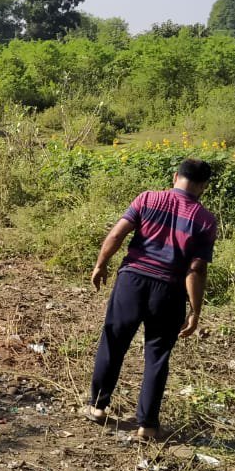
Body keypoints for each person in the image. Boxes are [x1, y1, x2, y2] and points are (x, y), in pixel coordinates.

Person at [82, 158, 217, 441]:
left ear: (175, 176)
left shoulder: (148, 199)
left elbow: (118, 233)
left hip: (132, 281)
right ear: (203, 187)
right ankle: (148, 425)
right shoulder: (204, 220)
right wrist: (194, 310)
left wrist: (100, 264)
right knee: (157, 356)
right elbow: (196, 269)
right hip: (169, 290)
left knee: (114, 340)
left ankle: (97, 407)